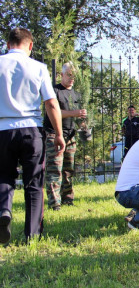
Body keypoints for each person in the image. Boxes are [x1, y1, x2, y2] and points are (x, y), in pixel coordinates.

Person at [0, 28, 65, 244]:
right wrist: (59, 134)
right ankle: (32, 234)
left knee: (4, 177)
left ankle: (3, 211)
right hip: (31, 130)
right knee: (34, 182)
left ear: (8, 44)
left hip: (2, 130)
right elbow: (51, 102)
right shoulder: (38, 67)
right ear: (30, 46)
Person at [43, 62, 87, 210]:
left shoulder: (76, 94)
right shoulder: (54, 90)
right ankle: (54, 203)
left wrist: (84, 126)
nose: (71, 78)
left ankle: (68, 199)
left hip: (70, 136)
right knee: (55, 170)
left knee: (68, 170)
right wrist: (75, 113)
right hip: (53, 135)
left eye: (73, 75)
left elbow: (80, 116)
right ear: (61, 75)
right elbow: (53, 111)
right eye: (68, 74)